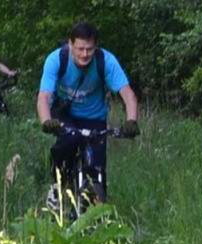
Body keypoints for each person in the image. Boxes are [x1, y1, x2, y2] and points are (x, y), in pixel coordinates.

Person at [37, 21, 139, 208]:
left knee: (97, 167)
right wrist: (46, 121)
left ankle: (97, 214)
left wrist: (131, 121)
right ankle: (57, 185)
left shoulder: (106, 62)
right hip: (65, 115)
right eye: (80, 49)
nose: (84, 54)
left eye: (89, 49)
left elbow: (128, 95)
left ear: (96, 47)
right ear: (70, 44)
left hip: (94, 117)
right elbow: (44, 97)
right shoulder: (56, 60)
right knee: (67, 142)